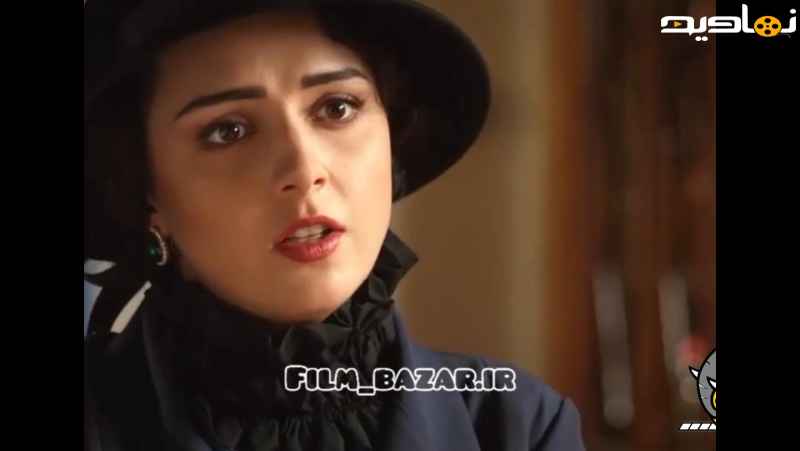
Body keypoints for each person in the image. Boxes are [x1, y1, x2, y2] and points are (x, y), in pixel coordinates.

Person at [84, 1, 586, 450]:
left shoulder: (515, 425)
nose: (305, 170)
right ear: (146, 189)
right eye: (228, 130)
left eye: (337, 107)